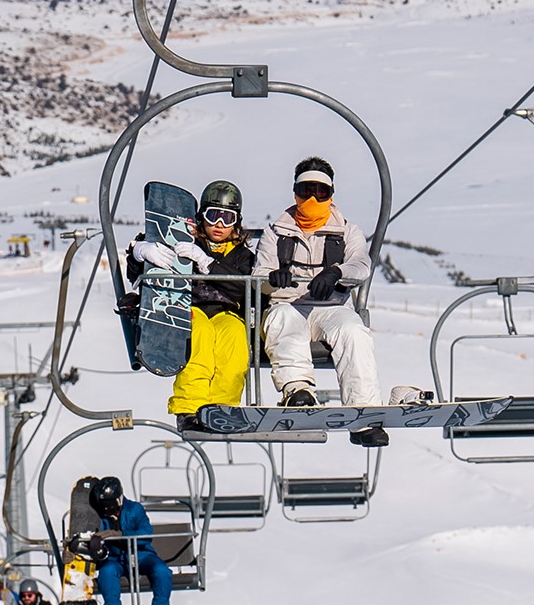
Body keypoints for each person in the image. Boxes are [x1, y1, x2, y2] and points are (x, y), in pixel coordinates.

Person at [255, 156, 386, 447]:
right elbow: (259, 275)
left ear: (331, 194)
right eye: (306, 190)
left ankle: (364, 413)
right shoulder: (276, 232)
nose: (313, 198)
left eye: (321, 192)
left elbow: (361, 265)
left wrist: (336, 272)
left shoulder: (346, 231)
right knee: (280, 321)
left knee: (353, 330)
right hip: (288, 305)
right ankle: (298, 391)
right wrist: (272, 279)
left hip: (332, 308)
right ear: (295, 193)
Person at [129, 179, 255, 416]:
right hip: (188, 307)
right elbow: (137, 272)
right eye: (213, 216)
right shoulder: (182, 241)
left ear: (236, 222)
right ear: (201, 217)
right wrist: (139, 253)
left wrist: (207, 263)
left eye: (227, 218)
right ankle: (189, 407)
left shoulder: (242, 255)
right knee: (200, 340)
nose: (219, 224)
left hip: (225, 313)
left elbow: (242, 290)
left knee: (235, 346)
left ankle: (223, 409)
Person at [88, 476, 172, 605]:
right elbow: (90, 533)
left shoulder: (134, 509)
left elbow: (146, 533)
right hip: (116, 558)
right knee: (107, 572)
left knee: (162, 571)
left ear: (118, 500)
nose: (106, 509)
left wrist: (119, 534)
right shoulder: (99, 516)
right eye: (103, 505)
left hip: (141, 555)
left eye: (110, 504)